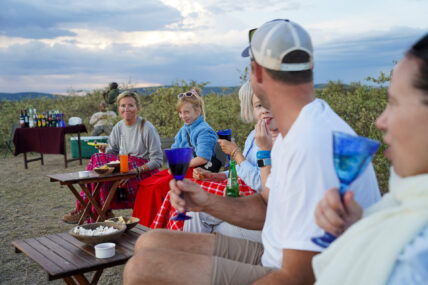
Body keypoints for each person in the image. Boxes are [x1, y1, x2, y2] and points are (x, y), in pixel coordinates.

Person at [123, 19, 381, 285]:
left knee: (141, 270)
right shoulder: (289, 129)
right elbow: (268, 206)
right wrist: (205, 201)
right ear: (311, 68)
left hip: (288, 271)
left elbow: (299, 276)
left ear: (256, 73)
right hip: (271, 254)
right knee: (149, 242)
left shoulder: (313, 143)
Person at [312, 34, 428, 285]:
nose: (380, 121)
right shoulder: (406, 203)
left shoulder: (411, 263)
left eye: (394, 103)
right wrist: (358, 226)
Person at [182, 80, 278, 242]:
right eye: (258, 106)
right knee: (191, 205)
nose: (264, 111)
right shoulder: (253, 135)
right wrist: (219, 176)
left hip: (261, 209)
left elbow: (264, 186)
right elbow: (243, 169)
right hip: (245, 197)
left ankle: (191, 255)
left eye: (269, 103)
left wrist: (236, 154)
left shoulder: (283, 141)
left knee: (199, 215)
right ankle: (190, 255)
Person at [62, 91, 163, 224]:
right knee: (98, 157)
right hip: (123, 167)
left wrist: (135, 171)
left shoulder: (146, 128)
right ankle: (101, 209)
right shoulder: (118, 127)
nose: (126, 109)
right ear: (119, 108)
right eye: (123, 106)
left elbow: (157, 160)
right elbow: (113, 152)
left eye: (130, 105)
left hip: (141, 171)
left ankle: (90, 209)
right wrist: (105, 152)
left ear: (138, 108)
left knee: (97, 159)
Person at [132, 87, 218, 227]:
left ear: (198, 110)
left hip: (196, 171)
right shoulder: (184, 129)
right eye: (180, 112)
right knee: (145, 185)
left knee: (156, 188)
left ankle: (156, 226)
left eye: (187, 112)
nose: (183, 116)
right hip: (182, 168)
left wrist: (179, 166)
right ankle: (141, 226)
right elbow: (175, 150)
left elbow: (202, 158)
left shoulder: (204, 130)